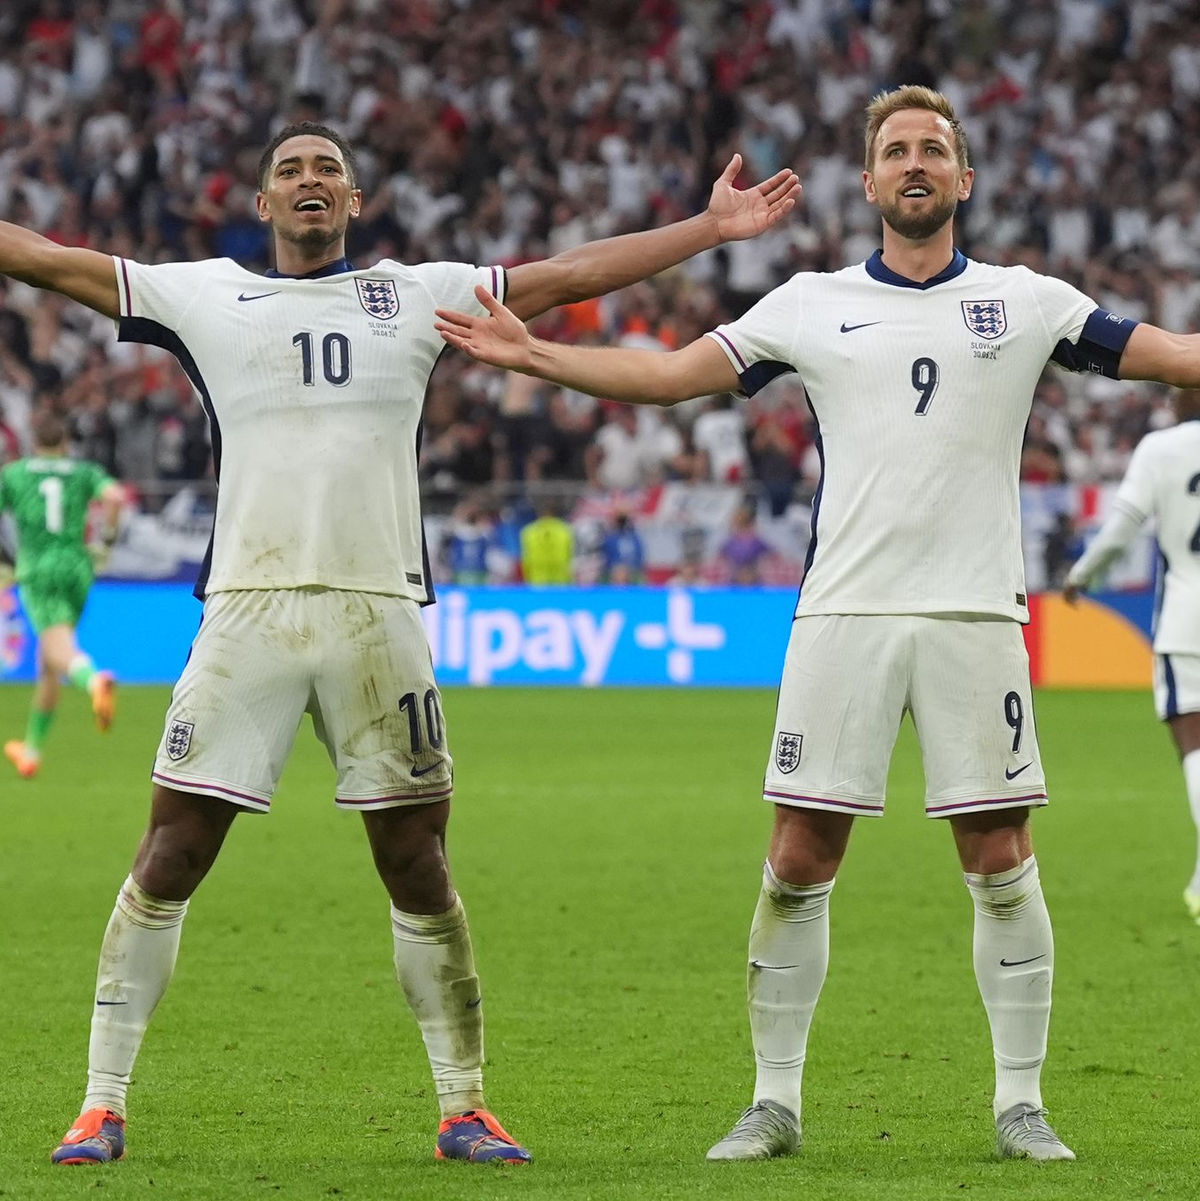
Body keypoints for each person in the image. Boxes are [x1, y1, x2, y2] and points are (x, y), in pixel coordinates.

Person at [0, 120, 799, 1168]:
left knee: (416, 860)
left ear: (357, 199)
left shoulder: (418, 293)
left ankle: (465, 1106)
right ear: (263, 203)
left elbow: (564, 277)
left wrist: (707, 226)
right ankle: (101, 1103)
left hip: (380, 615)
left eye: (328, 168)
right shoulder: (202, 294)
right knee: (171, 854)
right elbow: (53, 262)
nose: (310, 181)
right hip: (249, 610)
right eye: (290, 170)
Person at [436, 84, 1200, 1164]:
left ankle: (1021, 1102)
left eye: (935, 147)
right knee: (799, 853)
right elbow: (668, 377)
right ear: (873, 180)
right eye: (896, 149)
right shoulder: (810, 302)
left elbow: (1173, 353)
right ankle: (775, 1100)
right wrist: (537, 356)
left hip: (975, 615)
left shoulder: (1029, 301)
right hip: (841, 614)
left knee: (1000, 853)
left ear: (965, 180)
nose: (916, 161)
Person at [1064, 389, 1200, 925]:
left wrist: (1080, 576)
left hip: (1188, 623)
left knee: (1194, 745)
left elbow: (1121, 530)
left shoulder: (1161, 448)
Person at [1, 410, 122, 779]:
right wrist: (106, 542)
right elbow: (115, 497)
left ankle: (92, 680)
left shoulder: (15, 474)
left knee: (60, 650)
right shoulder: (83, 472)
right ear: (65, 443)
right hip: (77, 566)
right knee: (49, 661)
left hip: (39, 568)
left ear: (33, 443)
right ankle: (32, 751)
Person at [520, 500, 574, 585]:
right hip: (560, 574)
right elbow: (570, 553)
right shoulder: (565, 529)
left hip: (537, 574)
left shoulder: (528, 531)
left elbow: (525, 556)